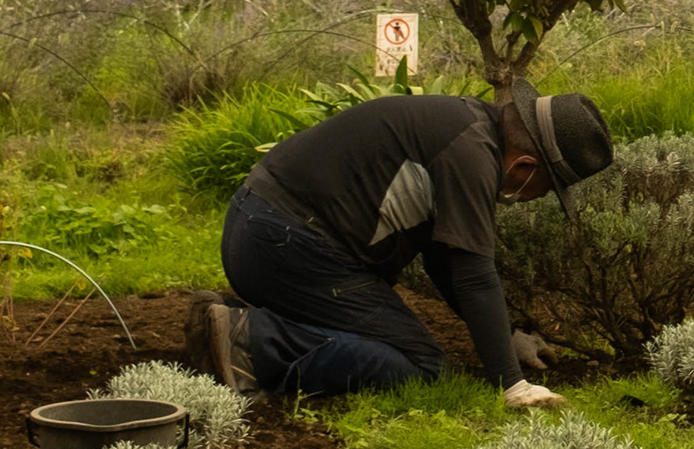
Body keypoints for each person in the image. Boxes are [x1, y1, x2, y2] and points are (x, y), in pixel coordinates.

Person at [183, 85, 612, 409]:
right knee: (421, 367)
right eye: (546, 189)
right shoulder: (471, 154)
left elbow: (447, 260)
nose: (536, 199)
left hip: (262, 233)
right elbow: (473, 275)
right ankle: (255, 342)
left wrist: (508, 336)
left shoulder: (464, 126)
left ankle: (227, 318)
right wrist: (512, 384)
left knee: (394, 344)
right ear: (525, 166)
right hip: (286, 246)